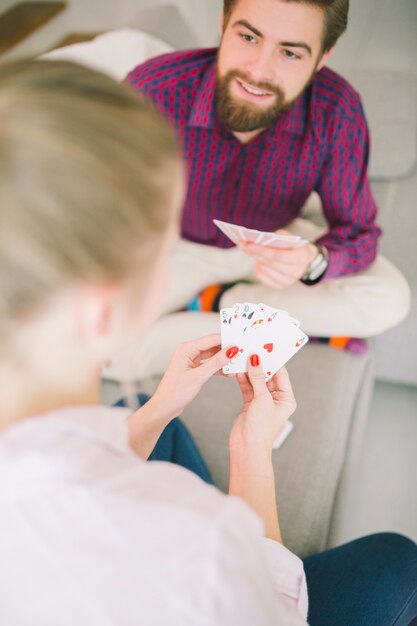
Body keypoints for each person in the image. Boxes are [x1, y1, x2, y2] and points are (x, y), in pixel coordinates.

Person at [0, 58, 416, 626]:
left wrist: (162, 403)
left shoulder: (335, 110)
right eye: (155, 253)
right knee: (399, 560)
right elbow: (276, 608)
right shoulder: (204, 543)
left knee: (158, 425)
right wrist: (252, 453)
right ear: (101, 311)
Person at [113, 0, 411, 380]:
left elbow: (359, 232)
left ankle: (223, 303)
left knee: (389, 300)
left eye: (289, 52)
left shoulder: (338, 110)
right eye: (249, 37)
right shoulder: (152, 89)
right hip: (172, 247)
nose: (258, 69)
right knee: (106, 355)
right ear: (223, 24)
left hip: (274, 242)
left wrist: (311, 261)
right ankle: (277, 329)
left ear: (322, 58)